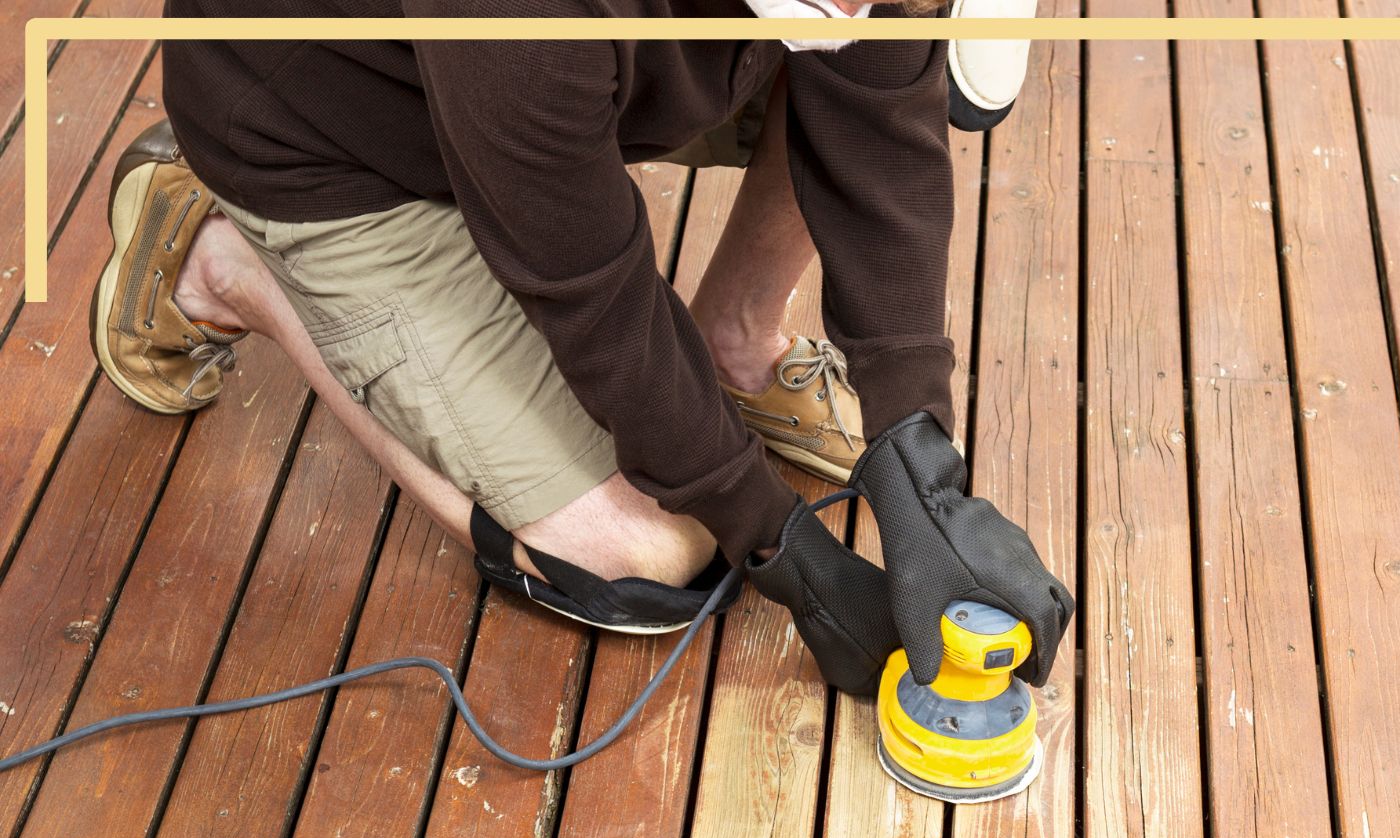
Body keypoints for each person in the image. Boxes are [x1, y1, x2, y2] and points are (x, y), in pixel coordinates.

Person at [91, 0, 1072, 698]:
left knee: (851, 49)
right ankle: (229, 264)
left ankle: (737, 338)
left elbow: (881, 118)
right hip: (329, 143)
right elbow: (600, 306)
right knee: (650, 555)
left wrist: (919, 459)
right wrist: (780, 544)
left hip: (527, 94)